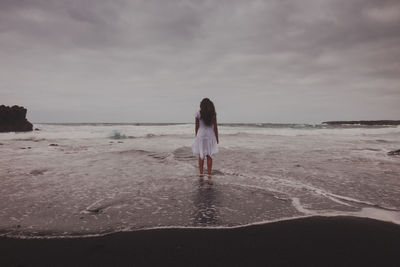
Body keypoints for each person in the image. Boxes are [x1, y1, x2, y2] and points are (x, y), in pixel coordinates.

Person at [192, 98, 219, 175]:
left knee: (201, 154)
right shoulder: (213, 113)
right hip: (210, 135)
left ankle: (201, 174)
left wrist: (196, 136)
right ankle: (209, 174)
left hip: (201, 135)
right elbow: (215, 127)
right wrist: (217, 138)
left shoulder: (198, 113)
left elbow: (196, 126)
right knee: (209, 155)